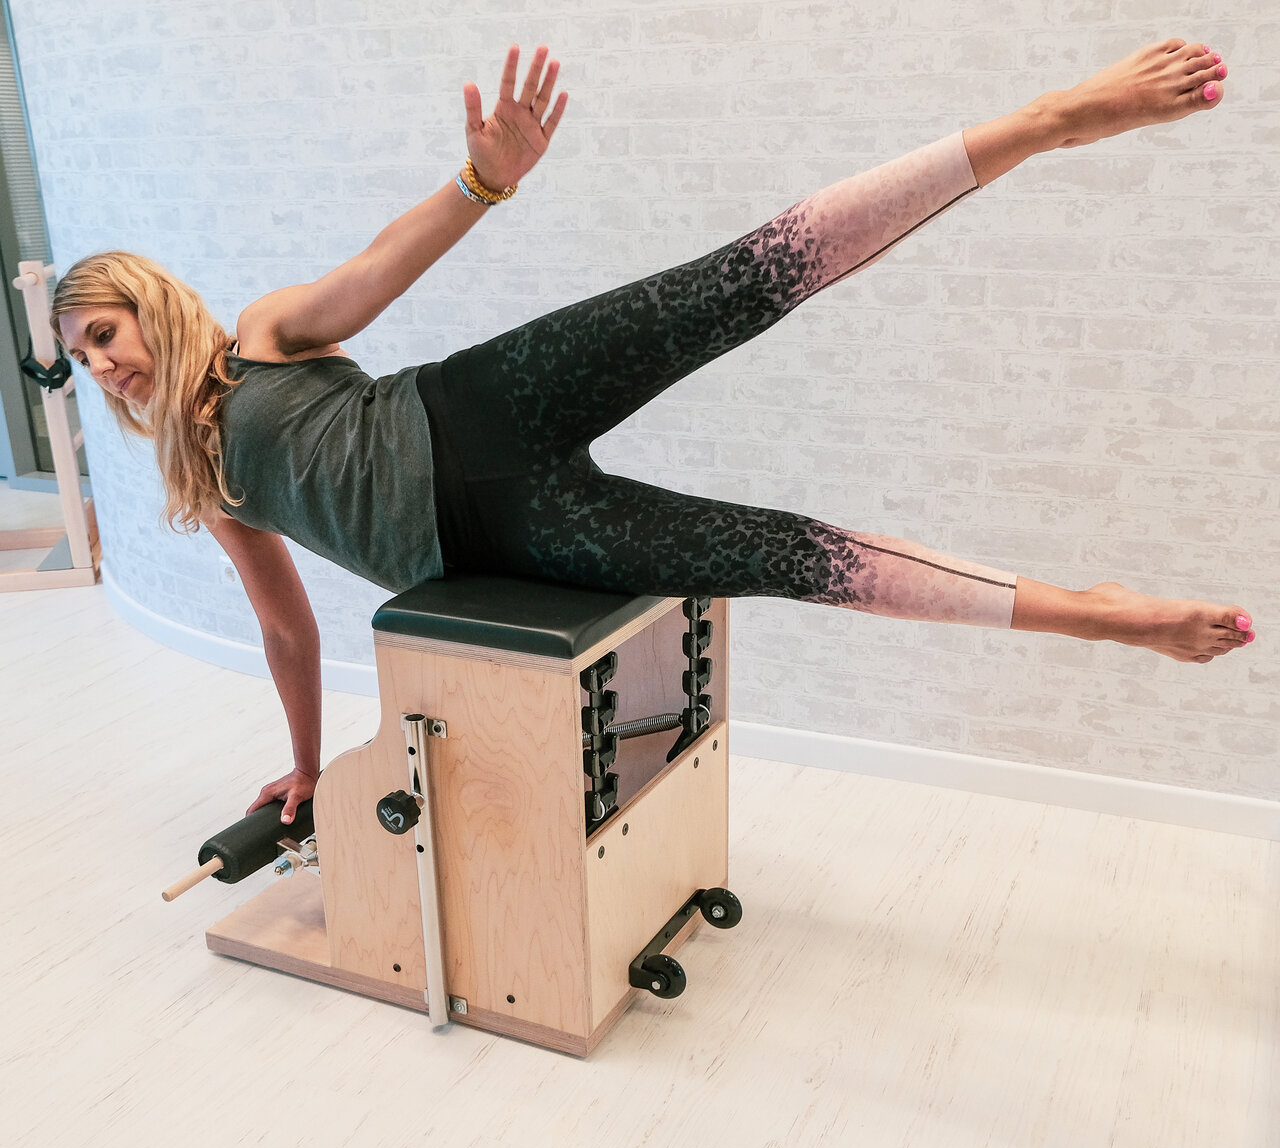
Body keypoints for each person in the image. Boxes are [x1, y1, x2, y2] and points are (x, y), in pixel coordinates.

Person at [51, 40, 1253, 825]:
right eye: (83, 357)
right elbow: (284, 628)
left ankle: (1045, 120)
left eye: (103, 332)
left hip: (476, 405)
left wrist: (480, 182)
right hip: (494, 541)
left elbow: (372, 272)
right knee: (785, 556)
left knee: (738, 280)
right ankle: (1090, 612)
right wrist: (311, 767)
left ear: (147, 302)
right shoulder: (206, 479)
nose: (103, 366)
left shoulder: (260, 338)